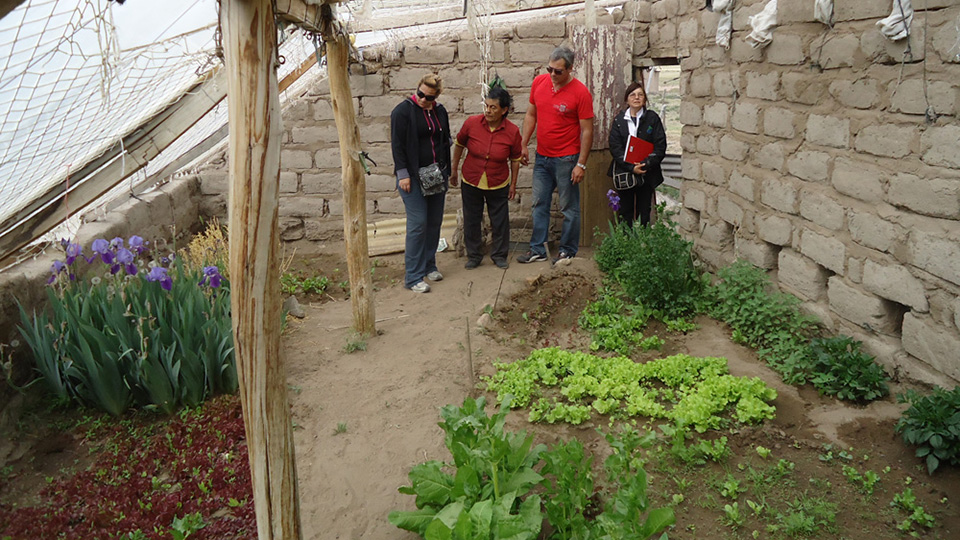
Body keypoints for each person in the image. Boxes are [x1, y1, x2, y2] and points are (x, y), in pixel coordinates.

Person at [517, 46, 594, 264]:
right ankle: (538, 250)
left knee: (568, 207)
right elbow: (531, 114)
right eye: (550, 69)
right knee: (539, 203)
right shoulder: (539, 83)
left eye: (558, 71)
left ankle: (567, 251)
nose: (552, 74)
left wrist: (581, 164)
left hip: (567, 159)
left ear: (570, 69)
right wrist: (524, 144)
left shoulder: (580, 93)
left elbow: (587, 130)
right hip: (542, 156)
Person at [390, 73, 452, 293]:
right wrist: (402, 174)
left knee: (434, 222)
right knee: (418, 224)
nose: (424, 99)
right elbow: (397, 145)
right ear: (416, 89)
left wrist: (448, 171)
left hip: (435, 174)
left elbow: (445, 142)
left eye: (429, 97)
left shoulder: (440, 111)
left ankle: (429, 265)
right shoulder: (402, 112)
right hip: (413, 177)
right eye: (421, 94)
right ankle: (413, 276)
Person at [450, 83, 522, 270]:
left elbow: (515, 159)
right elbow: (459, 144)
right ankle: (474, 255)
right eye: (486, 106)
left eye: (493, 107)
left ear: (504, 110)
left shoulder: (512, 131)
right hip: (471, 178)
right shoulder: (472, 124)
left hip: (498, 182)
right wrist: (454, 168)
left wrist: (513, 184)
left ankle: (499, 255)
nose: (488, 111)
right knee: (472, 218)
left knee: (499, 220)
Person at [608, 82, 667, 227]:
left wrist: (646, 164)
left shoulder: (652, 118)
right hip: (625, 172)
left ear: (645, 99)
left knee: (644, 212)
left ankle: (642, 245)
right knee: (625, 211)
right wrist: (630, 167)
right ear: (627, 99)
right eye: (632, 95)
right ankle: (626, 245)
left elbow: (660, 146)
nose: (636, 98)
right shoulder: (619, 121)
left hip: (647, 172)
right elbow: (615, 147)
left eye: (640, 95)